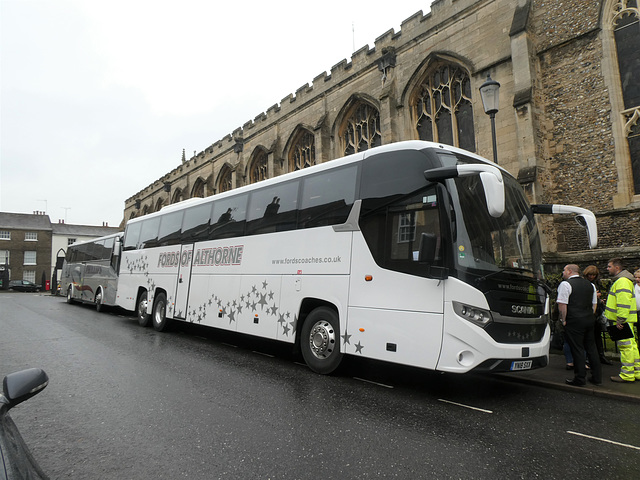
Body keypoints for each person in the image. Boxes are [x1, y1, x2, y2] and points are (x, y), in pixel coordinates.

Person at [557, 264, 602, 386]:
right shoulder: (590, 285)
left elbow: (562, 305)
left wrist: (563, 320)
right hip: (589, 319)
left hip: (574, 320)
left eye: (564, 270)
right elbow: (594, 304)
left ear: (570, 271)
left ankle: (580, 378)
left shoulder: (565, 285)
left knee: (577, 349)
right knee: (591, 348)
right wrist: (590, 316)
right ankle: (596, 377)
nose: (563, 272)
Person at [605, 258, 640, 382]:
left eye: (609, 266)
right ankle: (636, 372)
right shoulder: (625, 281)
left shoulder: (622, 281)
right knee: (631, 346)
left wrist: (620, 320)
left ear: (617, 268)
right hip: (626, 320)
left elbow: (623, 303)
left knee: (625, 347)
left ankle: (627, 375)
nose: (607, 269)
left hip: (621, 321)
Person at [583, 265, 612, 365]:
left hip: (597, 311)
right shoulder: (585, 283)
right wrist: (595, 295)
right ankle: (589, 358)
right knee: (589, 337)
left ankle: (601, 355)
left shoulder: (596, 283)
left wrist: (600, 300)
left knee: (598, 335)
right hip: (589, 312)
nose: (592, 277)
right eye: (590, 275)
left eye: (594, 275)